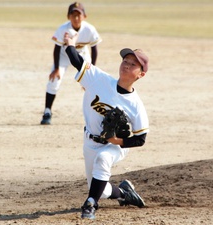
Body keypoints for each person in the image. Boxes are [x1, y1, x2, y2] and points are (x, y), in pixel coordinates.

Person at [64, 32, 149, 219]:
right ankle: (125, 193)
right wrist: (70, 43)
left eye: (133, 64)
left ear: (141, 74)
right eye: (125, 60)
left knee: (103, 160)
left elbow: (140, 138)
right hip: (90, 142)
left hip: (114, 146)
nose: (126, 64)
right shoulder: (100, 80)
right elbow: (77, 61)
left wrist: (116, 140)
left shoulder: (135, 105)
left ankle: (90, 204)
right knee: (100, 189)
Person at [40, 2, 102, 125]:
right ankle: (47, 111)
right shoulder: (63, 29)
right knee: (54, 80)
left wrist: (92, 68)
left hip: (82, 54)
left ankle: (96, 114)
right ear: (68, 17)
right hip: (64, 55)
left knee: (91, 82)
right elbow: (57, 48)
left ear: (85, 16)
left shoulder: (89, 29)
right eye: (73, 15)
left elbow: (94, 49)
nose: (76, 18)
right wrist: (56, 68)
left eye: (79, 15)